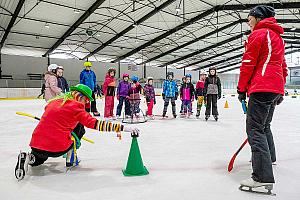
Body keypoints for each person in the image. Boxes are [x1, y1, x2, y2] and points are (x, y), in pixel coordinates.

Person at [14, 84, 139, 180]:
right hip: (56, 147)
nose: (87, 103)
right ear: (81, 97)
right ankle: (71, 158)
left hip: (36, 143)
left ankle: (29, 157)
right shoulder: (77, 107)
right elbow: (97, 124)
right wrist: (124, 128)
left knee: (38, 160)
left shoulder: (53, 102)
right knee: (80, 128)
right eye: (86, 100)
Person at [237, 5, 287, 191]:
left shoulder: (258, 34)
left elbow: (248, 64)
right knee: (264, 126)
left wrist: (242, 88)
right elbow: (283, 67)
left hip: (261, 87)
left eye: (250, 18)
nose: (248, 21)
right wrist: (279, 90)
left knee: (255, 130)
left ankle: (261, 176)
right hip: (273, 88)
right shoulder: (278, 38)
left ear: (258, 18)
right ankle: (270, 158)